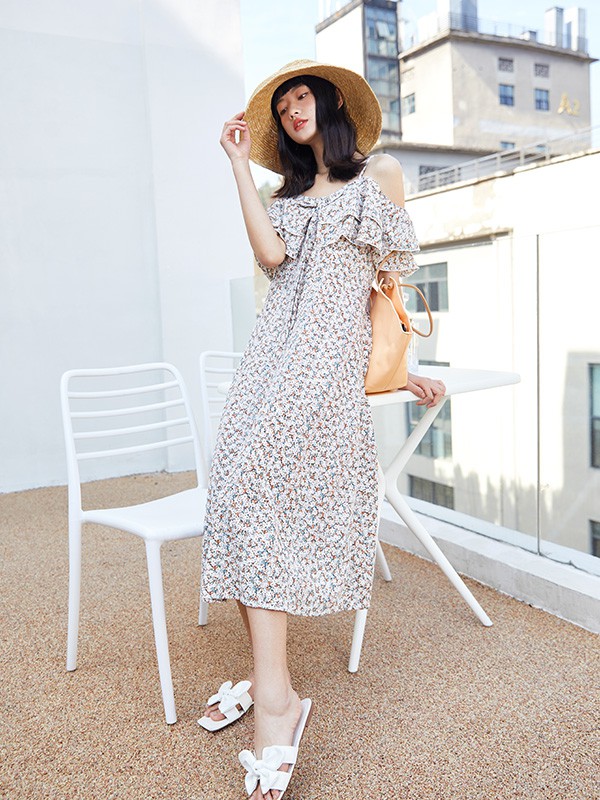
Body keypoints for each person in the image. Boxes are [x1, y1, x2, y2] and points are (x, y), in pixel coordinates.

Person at [199, 60, 446, 800]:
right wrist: (239, 167)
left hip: (323, 368)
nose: (293, 111)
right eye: (283, 106)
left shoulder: (379, 178)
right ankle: (271, 683)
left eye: (302, 97)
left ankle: (274, 701)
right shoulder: (286, 197)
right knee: (234, 496)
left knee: (258, 499)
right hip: (268, 362)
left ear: (332, 102)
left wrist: (397, 369)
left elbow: (387, 285)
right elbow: (271, 258)